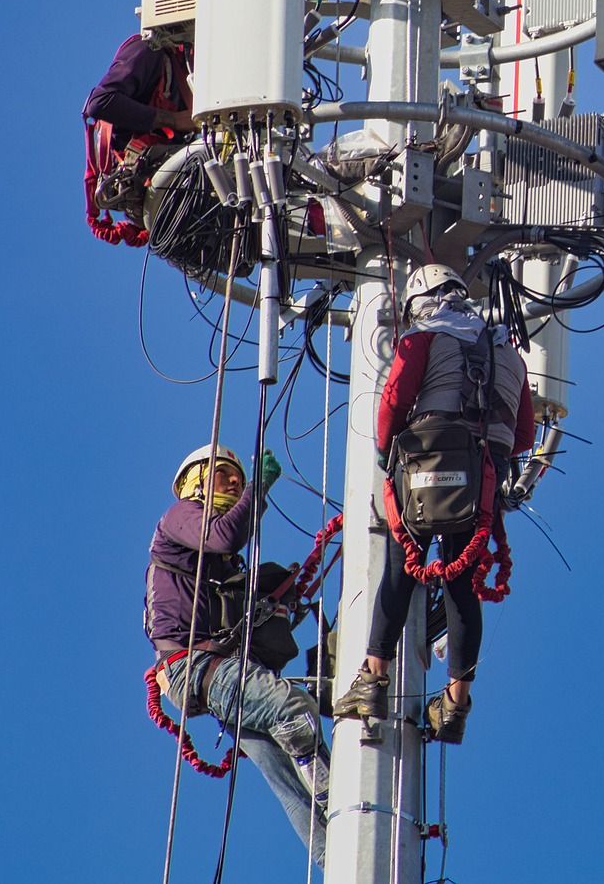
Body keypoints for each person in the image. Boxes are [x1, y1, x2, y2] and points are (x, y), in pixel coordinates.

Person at [331, 263, 537, 743]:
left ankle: (373, 678)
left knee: (404, 566)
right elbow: (524, 433)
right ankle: (455, 703)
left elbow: (394, 404)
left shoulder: (422, 337)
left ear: (420, 301)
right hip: (486, 472)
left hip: (429, 461)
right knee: (462, 582)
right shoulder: (510, 354)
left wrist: (386, 456)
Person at [145, 444, 328, 865]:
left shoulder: (223, 567)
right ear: (196, 483)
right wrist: (258, 488)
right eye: (224, 473)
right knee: (293, 709)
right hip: (198, 667)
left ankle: (336, 856)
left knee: (286, 776)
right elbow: (226, 532)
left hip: (217, 670)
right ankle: (345, 798)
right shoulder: (180, 518)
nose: (235, 480)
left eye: (238, 475)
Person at [83, 34, 196, 244]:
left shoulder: (188, 72)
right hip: (140, 174)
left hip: (168, 186)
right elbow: (100, 102)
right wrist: (173, 120)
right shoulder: (151, 49)